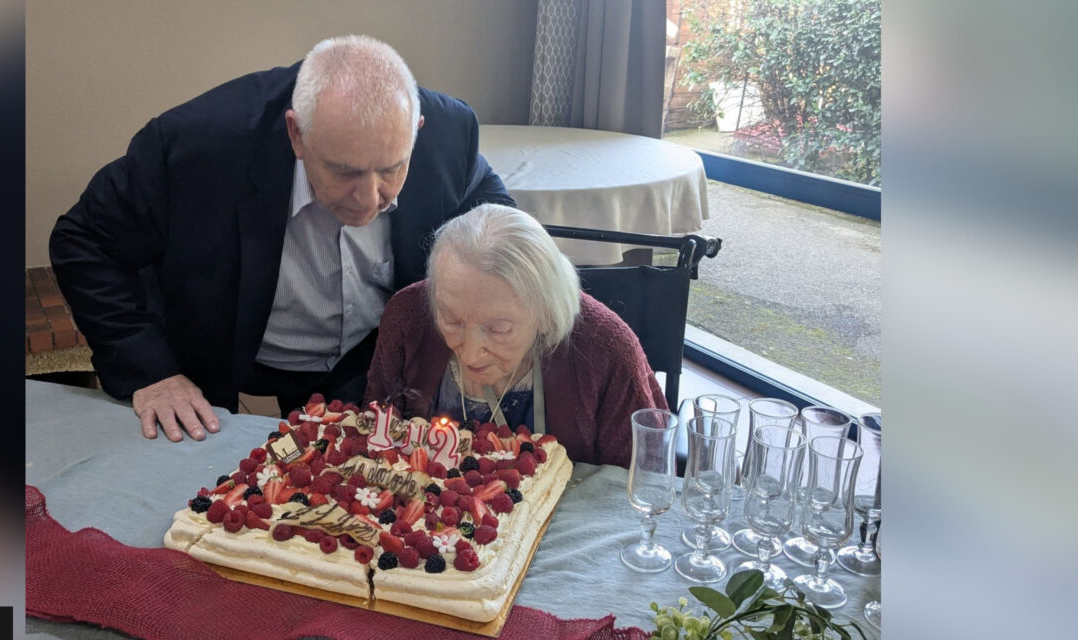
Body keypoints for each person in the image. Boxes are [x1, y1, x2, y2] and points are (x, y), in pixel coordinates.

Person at [50, 35, 513, 443]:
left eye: (391, 168)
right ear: (296, 134)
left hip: (366, 354)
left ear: (416, 132)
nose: (371, 199)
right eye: (345, 171)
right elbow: (83, 240)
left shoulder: (450, 134)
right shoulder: (198, 147)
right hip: (225, 347)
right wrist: (149, 370)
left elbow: (498, 224)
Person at [364, 203, 669, 467]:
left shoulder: (607, 350)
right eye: (451, 320)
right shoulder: (407, 317)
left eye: (499, 328)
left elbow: (641, 479)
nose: (469, 353)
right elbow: (375, 434)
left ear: (545, 315)